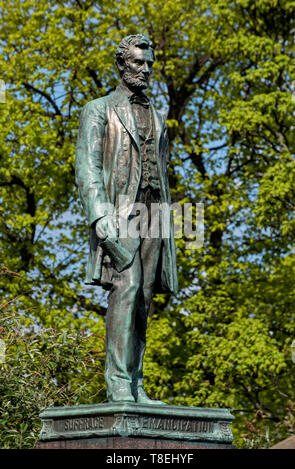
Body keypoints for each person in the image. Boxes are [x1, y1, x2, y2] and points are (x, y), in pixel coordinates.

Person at [75, 34, 177, 404]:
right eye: (138, 63)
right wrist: (99, 214)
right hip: (120, 213)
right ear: (122, 64)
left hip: (155, 214)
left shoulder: (159, 116)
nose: (146, 69)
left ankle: (136, 383)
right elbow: (87, 166)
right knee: (128, 287)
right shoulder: (98, 109)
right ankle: (118, 381)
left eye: (149, 63)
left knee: (145, 297)